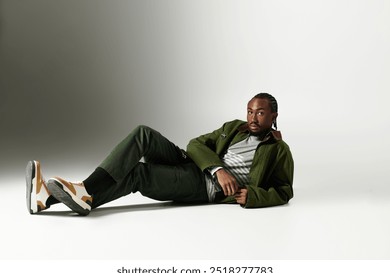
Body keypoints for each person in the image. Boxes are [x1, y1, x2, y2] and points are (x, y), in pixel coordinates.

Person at [26, 93, 294, 216]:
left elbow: (284, 190)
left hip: (204, 187)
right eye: (250, 111)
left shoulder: (279, 151)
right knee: (143, 133)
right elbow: (195, 144)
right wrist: (218, 168)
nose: (252, 117)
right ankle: (83, 192)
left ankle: (49, 199)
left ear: (274, 116)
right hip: (198, 166)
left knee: (139, 174)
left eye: (260, 112)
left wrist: (255, 196)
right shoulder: (234, 127)